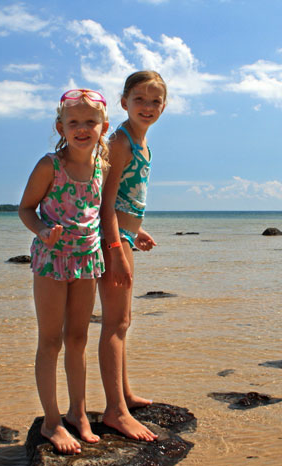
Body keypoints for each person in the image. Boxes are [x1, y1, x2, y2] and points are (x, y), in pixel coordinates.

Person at [18, 89, 109, 454]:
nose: (82, 129)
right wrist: (43, 231)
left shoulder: (103, 166)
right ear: (61, 127)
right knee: (51, 341)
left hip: (87, 260)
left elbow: (103, 214)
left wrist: (131, 234)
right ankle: (51, 421)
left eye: (90, 122)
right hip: (51, 261)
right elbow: (26, 208)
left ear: (103, 127)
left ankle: (79, 413)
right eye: (74, 122)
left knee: (78, 340)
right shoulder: (49, 166)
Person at [98, 71, 167, 441]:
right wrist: (116, 249)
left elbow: (127, 197)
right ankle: (115, 411)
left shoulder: (142, 144)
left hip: (124, 234)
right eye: (139, 99)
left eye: (155, 101)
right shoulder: (120, 141)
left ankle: (123, 395)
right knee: (115, 323)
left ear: (164, 107)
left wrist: (136, 231)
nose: (148, 107)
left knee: (122, 322)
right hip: (111, 238)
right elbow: (104, 202)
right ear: (124, 102)